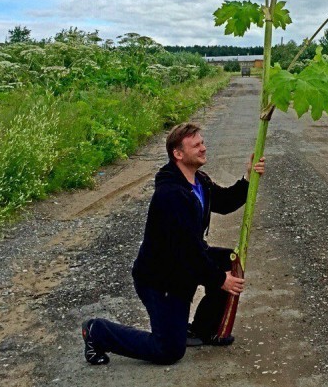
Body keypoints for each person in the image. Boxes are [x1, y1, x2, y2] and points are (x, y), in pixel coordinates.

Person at [81, 122, 265, 365]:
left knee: (227, 260)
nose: (203, 148)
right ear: (178, 154)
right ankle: (97, 332)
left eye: (202, 142)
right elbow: (188, 253)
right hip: (161, 280)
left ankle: (202, 330)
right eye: (196, 145)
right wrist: (221, 280)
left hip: (181, 268)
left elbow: (225, 202)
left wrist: (248, 178)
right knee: (168, 351)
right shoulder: (171, 195)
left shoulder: (199, 181)